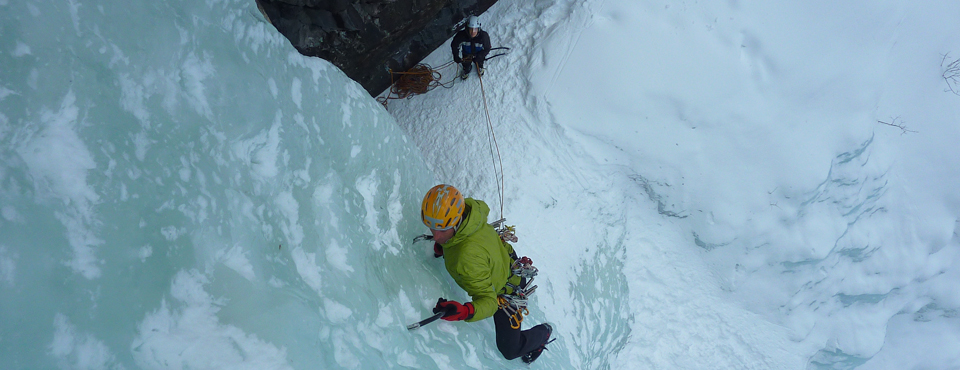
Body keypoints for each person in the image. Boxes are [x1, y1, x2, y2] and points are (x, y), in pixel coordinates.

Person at [421, 184, 554, 363]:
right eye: (432, 227)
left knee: (510, 350)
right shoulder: (471, 212)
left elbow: (490, 301)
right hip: (504, 257)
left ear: (457, 221)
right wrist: (446, 245)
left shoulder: (466, 258)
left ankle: (543, 333)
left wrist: (464, 311)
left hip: (508, 290)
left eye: (442, 230)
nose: (436, 236)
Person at [450, 16, 492, 80]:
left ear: (478, 28)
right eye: (471, 29)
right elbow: (454, 45)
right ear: (467, 28)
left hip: (478, 53)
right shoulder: (461, 36)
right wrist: (456, 56)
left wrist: (480, 56)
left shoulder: (483, 36)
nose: (473, 32)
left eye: (475, 29)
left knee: (480, 61)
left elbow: (487, 48)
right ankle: (467, 69)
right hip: (466, 53)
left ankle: (479, 67)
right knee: (466, 63)